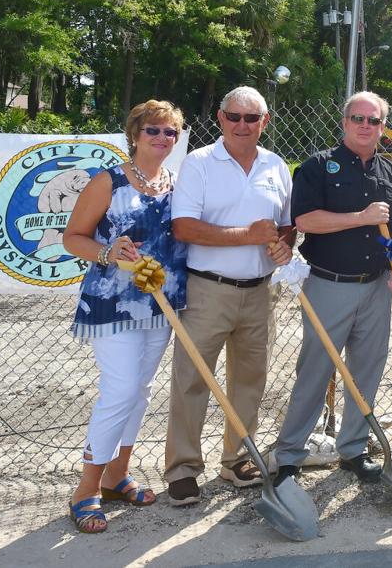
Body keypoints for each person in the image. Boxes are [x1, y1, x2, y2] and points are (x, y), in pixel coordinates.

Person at [273, 92, 392, 486]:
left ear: (383, 127)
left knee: (367, 370)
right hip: (327, 283)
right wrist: (362, 217)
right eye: (358, 118)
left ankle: (353, 448)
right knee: (315, 370)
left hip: (375, 288)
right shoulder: (318, 166)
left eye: (374, 121)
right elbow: (306, 220)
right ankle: (288, 455)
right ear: (345, 122)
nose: (365, 126)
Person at [63, 100, 188, 533]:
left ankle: (118, 476)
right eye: (153, 130)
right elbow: (72, 238)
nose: (162, 139)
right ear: (134, 134)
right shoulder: (108, 181)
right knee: (119, 390)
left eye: (170, 132)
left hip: (161, 302)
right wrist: (107, 253)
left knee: (141, 391)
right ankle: (86, 488)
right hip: (111, 302)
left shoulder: (176, 183)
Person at [164, 86, 293, 505]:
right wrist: (248, 236)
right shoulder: (199, 163)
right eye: (234, 117)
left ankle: (237, 458)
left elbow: (287, 225)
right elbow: (183, 227)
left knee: (250, 381)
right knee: (192, 380)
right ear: (220, 119)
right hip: (208, 290)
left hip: (259, 292)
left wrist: (285, 244)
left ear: (264, 122)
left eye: (251, 119)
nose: (242, 125)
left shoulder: (276, 166)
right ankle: (183, 469)